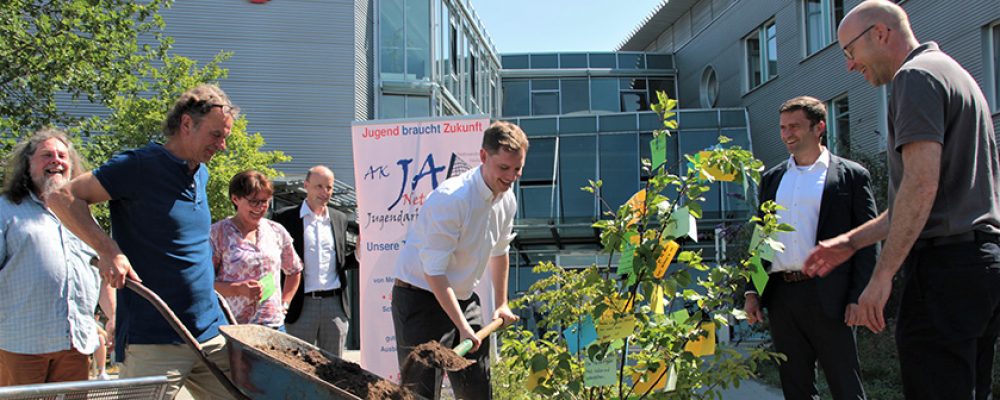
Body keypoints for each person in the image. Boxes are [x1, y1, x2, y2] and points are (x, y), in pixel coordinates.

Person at [803, 1, 1000, 399]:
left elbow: (920, 186)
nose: (850, 65)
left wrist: (881, 277)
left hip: (945, 271)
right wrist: (852, 241)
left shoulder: (914, 78)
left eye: (850, 51)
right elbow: (923, 198)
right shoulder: (953, 72)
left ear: (880, 33)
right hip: (980, 266)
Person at [48, 84, 240, 399]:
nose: (222, 146)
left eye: (225, 137)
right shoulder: (139, 165)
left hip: (210, 335)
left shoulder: (200, 174)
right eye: (216, 135)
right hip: (153, 339)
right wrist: (108, 251)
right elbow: (63, 196)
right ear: (187, 124)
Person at [744, 96, 877, 400]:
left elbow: (868, 241)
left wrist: (859, 296)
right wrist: (753, 290)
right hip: (782, 296)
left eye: (795, 126)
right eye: (782, 127)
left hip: (830, 295)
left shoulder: (851, 176)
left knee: (845, 385)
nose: (787, 134)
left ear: (819, 127)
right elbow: (761, 237)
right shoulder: (773, 178)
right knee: (795, 387)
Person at [391, 121, 526, 399]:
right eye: (504, 168)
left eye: (517, 168)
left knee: (477, 389)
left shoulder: (507, 198)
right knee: (421, 393)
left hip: (463, 297)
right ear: (483, 156)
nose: (512, 176)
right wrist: (463, 328)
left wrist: (501, 303)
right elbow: (434, 272)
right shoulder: (452, 199)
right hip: (421, 298)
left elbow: (500, 252)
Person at [0, 128, 114, 386]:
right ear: (27, 165)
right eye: (46, 155)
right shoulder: (5, 210)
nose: (56, 160)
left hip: (76, 345)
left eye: (63, 156)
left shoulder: (84, 216)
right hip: (21, 346)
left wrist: (113, 317)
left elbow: (101, 274)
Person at [274, 165, 357, 357]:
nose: (324, 192)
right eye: (318, 186)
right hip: (301, 306)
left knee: (334, 368)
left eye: (328, 187)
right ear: (306, 186)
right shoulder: (285, 218)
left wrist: (360, 254)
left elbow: (341, 263)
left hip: (334, 306)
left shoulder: (339, 218)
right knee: (296, 366)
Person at [212, 170, 302, 330]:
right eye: (254, 202)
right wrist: (238, 289)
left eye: (265, 201)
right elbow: (205, 283)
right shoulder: (218, 233)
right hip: (233, 326)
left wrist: (285, 304)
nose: (260, 207)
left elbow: (294, 270)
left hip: (273, 325)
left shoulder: (276, 230)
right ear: (235, 199)